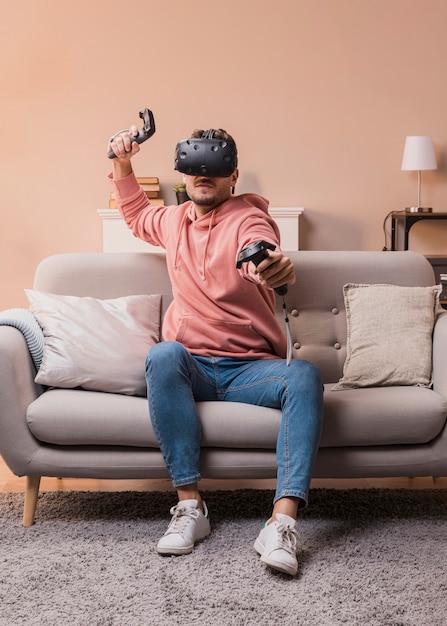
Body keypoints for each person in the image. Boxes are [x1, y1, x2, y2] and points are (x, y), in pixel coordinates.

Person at [107, 125, 324, 576]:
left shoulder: (249, 216)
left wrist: (269, 267)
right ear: (183, 175)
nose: (203, 176)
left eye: (215, 168)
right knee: (163, 354)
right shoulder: (172, 222)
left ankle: (281, 524)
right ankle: (191, 510)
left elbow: (260, 252)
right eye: (194, 169)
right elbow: (134, 214)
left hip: (251, 371)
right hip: (194, 369)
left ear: (233, 176)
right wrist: (122, 164)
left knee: (303, 374)